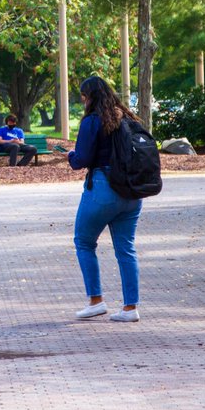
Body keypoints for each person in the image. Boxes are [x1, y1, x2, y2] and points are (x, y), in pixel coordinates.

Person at [67, 75, 144, 323]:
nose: (83, 101)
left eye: (83, 96)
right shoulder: (128, 118)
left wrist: (70, 155)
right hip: (132, 191)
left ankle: (96, 301)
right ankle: (130, 308)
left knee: (84, 241)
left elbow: (82, 160)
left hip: (103, 188)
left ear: (90, 97)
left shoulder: (92, 121)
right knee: (126, 248)